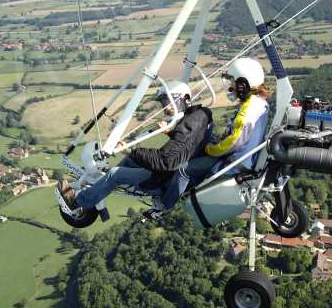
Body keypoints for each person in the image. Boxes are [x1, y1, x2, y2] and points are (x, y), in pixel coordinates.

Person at [58, 80, 212, 218]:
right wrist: (170, 133)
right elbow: (187, 143)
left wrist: (130, 150)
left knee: (115, 174)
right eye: (164, 103)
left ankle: (78, 202)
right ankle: (102, 186)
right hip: (170, 170)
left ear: (183, 99)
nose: (165, 108)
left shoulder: (191, 122)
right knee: (130, 161)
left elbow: (167, 161)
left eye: (167, 101)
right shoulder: (198, 116)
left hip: (163, 177)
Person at [160, 57, 269, 207]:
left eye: (233, 83)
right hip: (243, 159)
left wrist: (211, 149)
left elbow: (235, 141)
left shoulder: (249, 109)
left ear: (243, 85)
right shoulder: (260, 103)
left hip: (234, 164)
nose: (231, 88)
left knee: (183, 169)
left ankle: (164, 205)